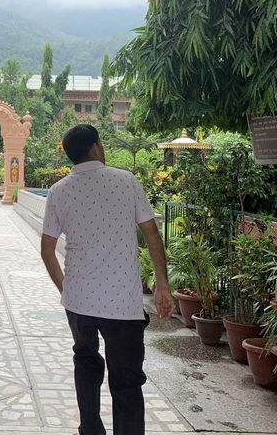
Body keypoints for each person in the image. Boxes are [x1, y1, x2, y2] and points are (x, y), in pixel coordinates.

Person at [40, 124, 174, 435]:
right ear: (97, 147)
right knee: (126, 380)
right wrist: (162, 286)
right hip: (122, 305)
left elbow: (47, 250)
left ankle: (90, 430)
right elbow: (151, 234)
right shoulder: (125, 181)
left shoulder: (59, 190)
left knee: (86, 364)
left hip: (79, 302)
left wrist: (65, 289)